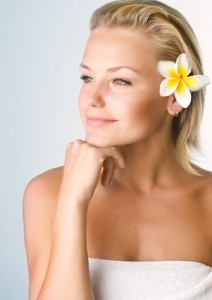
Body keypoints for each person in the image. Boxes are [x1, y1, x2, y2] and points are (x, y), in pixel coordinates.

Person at [23, 0, 212, 299]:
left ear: (175, 98)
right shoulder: (48, 193)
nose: (92, 98)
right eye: (87, 77)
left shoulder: (208, 203)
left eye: (120, 80)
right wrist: (72, 203)